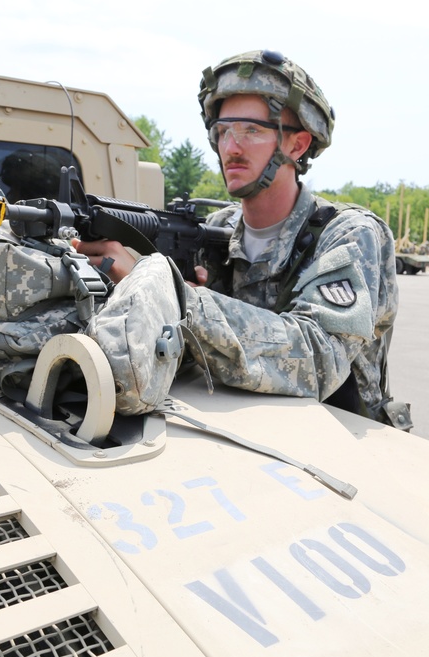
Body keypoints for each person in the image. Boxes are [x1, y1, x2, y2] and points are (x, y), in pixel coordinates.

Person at [74, 50, 407, 427]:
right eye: (223, 131)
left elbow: (319, 362)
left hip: (339, 442)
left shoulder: (348, 235)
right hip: (235, 432)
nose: (231, 147)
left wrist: (176, 296)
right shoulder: (217, 227)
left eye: (251, 130)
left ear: (296, 146)